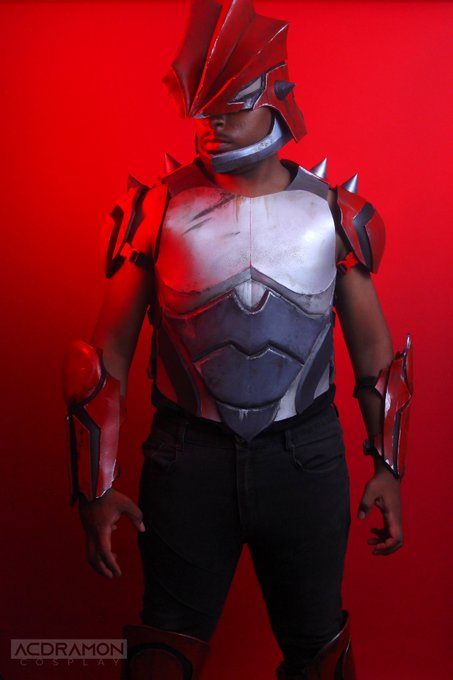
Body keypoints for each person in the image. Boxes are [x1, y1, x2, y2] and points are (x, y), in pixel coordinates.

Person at [62, 0, 413, 678]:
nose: (212, 121)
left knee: (319, 650)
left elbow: (374, 358)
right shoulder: (155, 209)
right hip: (186, 458)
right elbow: (101, 362)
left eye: (230, 105)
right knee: (163, 651)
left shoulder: (332, 215)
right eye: (204, 109)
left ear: (275, 99)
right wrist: (94, 488)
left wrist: (388, 470)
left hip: (304, 457)